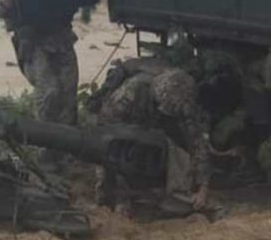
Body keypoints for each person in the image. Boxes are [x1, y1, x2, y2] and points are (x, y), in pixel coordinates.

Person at [0, 0, 87, 167]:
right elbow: (0, 10)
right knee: (48, 92)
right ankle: (44, 154)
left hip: (60, 35)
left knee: (68, 94)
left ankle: (70, 153)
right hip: (31, 40)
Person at [88, 58, 211, 214]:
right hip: (122, 126)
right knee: (116, 154)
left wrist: (203, 186)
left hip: (153, 128)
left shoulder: (183, 100)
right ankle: (112, 199)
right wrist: (115, 193)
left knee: (177, 151)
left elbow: (197, 143)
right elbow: (104, 134)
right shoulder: (130, 92)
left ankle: (171, 192)